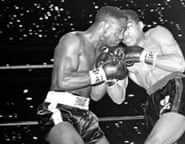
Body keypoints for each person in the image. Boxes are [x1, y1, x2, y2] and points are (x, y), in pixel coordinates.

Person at [36, 6, 129, 144]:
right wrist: (102, 73)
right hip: (60, 108)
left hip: (85, 113)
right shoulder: (73, 40)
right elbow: (64, 82)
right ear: (105, 25)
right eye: (120, 30)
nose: (121, 36)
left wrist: (109, 75)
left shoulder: (102, 53)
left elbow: (96, 96)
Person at [120, 9, 185, 144]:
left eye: (129, 27)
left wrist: (144, 56)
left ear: (140, 25)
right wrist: (110, 76)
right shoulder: (124, 58)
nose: (125, 33)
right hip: (152, 100)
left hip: (174, 88)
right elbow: (118, 98)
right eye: (121, 30)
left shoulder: (156, 34)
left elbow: (179, 64)